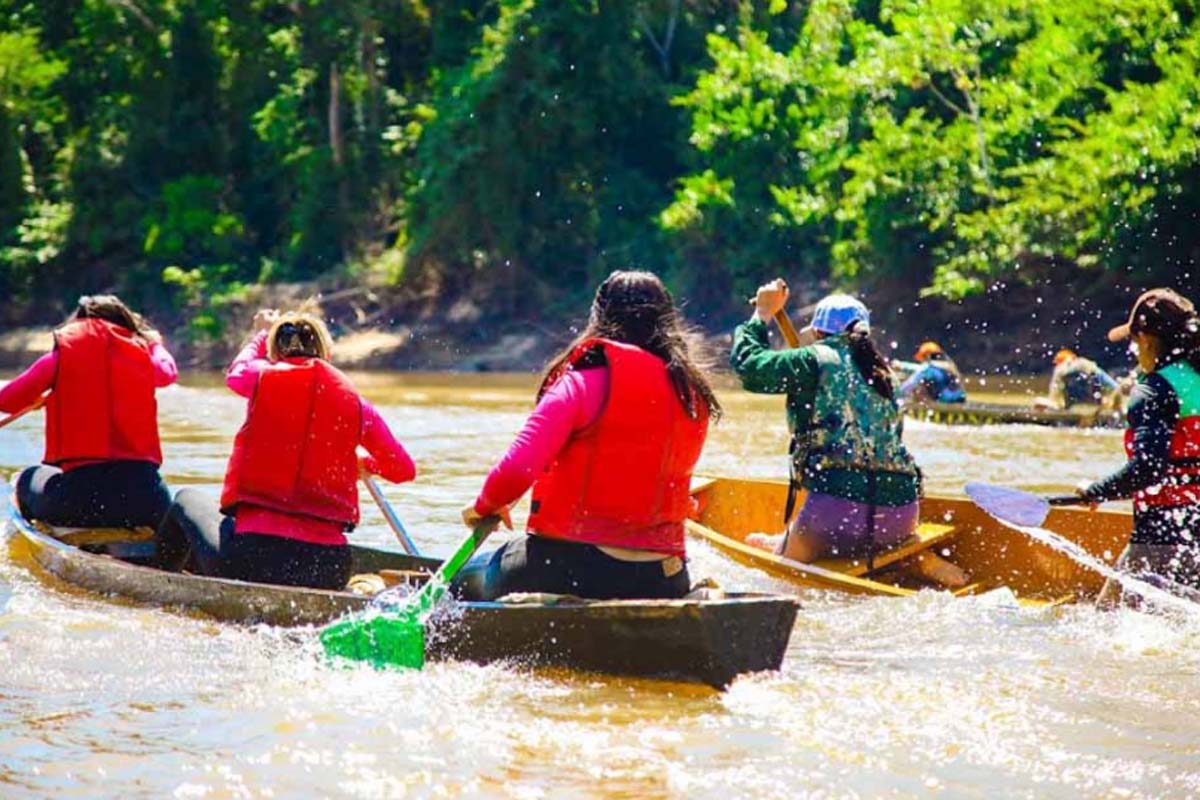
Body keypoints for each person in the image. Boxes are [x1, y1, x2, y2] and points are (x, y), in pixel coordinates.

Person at [452, 271, 719, 601]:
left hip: (575, 568)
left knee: (462, 579)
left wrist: (484, 506)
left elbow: (515, 472)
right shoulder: (691, 395)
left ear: (599, 317)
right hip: (664, 576)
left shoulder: (582, 382)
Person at [155, 310, 416, 589]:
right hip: (328, 566)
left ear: (274, 353)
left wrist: (262, 334)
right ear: (325, 353)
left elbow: (237, 372)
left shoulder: (261, 378)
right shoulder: (358, 405)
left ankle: (154, 585)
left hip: (256, 558)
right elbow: (403, 470)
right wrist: (365, 464)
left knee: (185, 499)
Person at [731, 280, 964, 584]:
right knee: (872, 527)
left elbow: (750, 367)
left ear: (816, 333)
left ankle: (789, 545)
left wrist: (762, 313)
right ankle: (914, 555)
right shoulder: (885, 374)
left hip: (835, 513)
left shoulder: (812, 358)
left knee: (781, 572)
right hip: (902, 513)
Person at [0, 295, 176, 529]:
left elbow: (7, 400)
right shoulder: (145, 357)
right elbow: (168, 373)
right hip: (146, 501)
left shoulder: (59, 358)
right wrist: (155, 344)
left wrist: (49, 393)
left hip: (79, 502)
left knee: (26, 478)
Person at [1078, 289, 1200, 599]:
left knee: (1107, 627)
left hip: (1164, 536)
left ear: (1145, 338)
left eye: (1133, 342)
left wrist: (1097, 491)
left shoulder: (1154, 390)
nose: (1133, 351)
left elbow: (1149, 469)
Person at [1037, 349, 1119, 409]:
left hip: (1080, 400)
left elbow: (1054, 392)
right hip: (1090, 399)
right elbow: (1113, 385)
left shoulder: (1060, 370)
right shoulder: (1085, 365)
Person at [898, 341, 968, 404]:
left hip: (945, 401)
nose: (922, 361)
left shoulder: (929, 369)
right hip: (960, 398)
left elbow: (910, 383)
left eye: (923, 358)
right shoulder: (949, 366)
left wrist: (897, 393)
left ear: (928, 356)